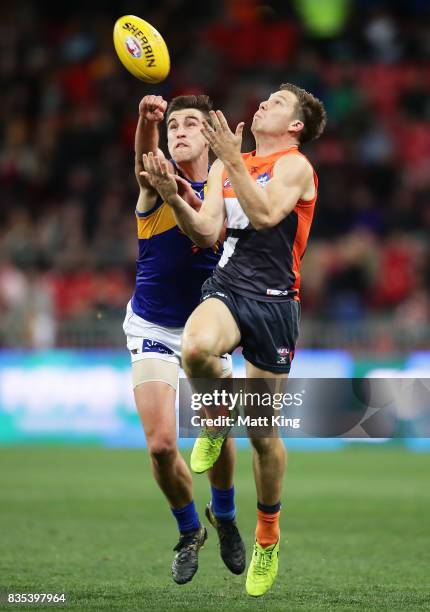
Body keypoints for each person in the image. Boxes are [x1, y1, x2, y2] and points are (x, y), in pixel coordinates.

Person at [141, 83, 326, 597]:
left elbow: (266, 215)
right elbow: (205, 233)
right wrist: (174, 193)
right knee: (196, 347)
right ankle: (217, 421)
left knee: (265, 437)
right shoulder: (230, 161)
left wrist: (231, 161)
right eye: (266, 98)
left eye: (278, 103)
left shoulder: (295, 167)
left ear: (295, 126)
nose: (264, 103)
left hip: (275, 303)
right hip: (229, 287)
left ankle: (268, 535)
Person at [124, 94, 245, 586]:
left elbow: (212, 235)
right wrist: (144, 122)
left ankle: (226, 515)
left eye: (190, 123)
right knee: (159, 446)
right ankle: (188, 530)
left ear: (210, 136)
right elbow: (142, 161)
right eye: (173, 124)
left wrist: (188, 196)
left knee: (216, 434)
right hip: (153, 327)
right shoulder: (156, 181)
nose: (179, 131)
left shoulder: (230, 188)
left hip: (207, 330)